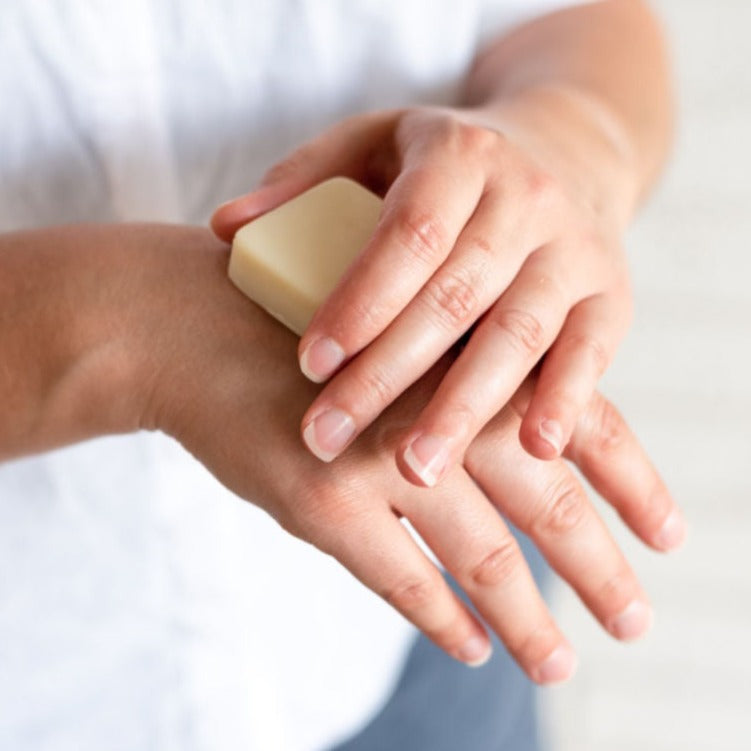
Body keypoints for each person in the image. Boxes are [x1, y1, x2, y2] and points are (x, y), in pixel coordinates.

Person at [0, 2, 684, 750]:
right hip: (49, 686)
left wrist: (571, 142)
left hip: (420, 607)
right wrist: (121, 324)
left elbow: (578, 17)